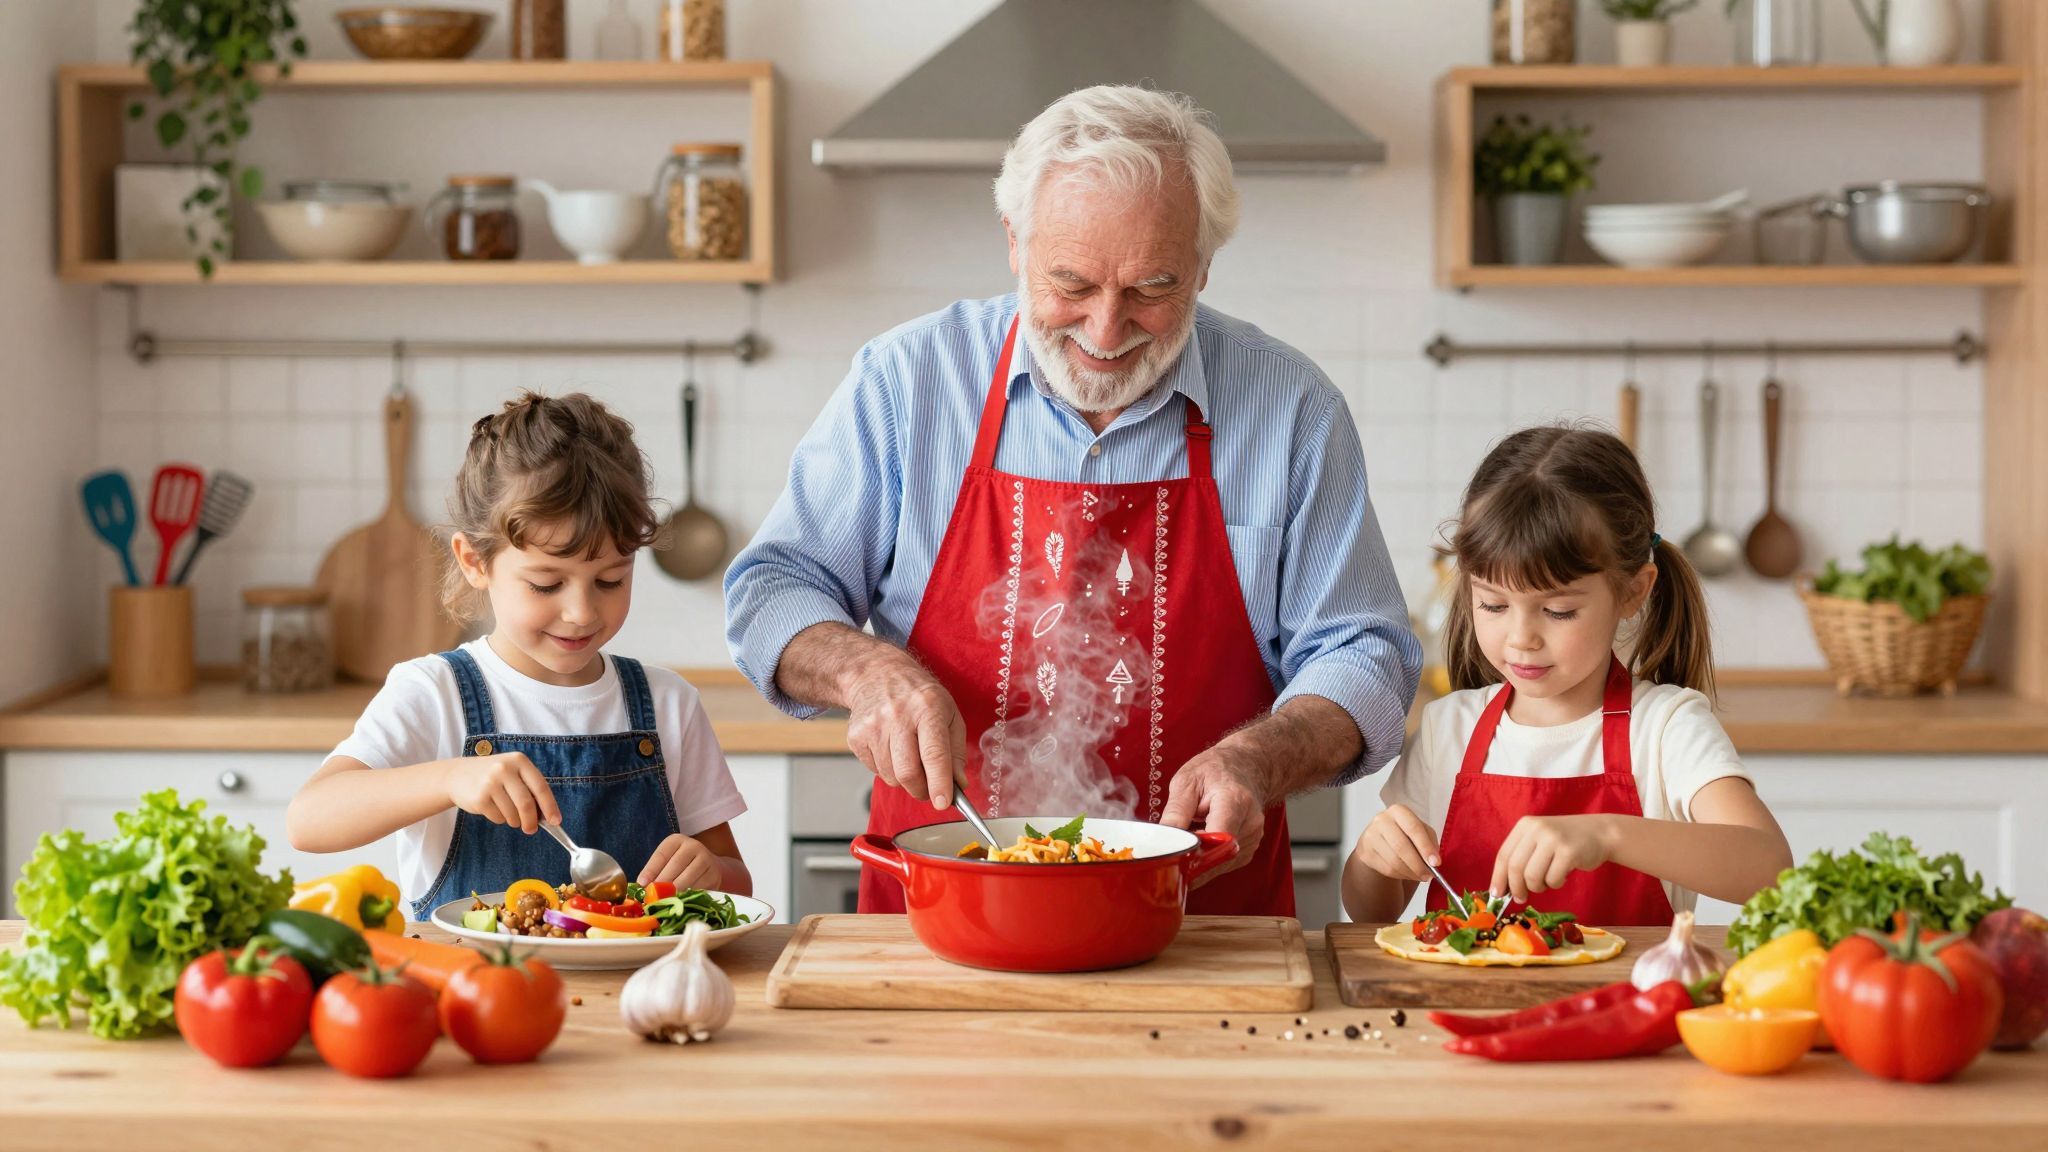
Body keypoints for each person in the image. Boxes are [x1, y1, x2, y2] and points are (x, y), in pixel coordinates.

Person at [725, 85, 1420, 915]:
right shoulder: (909, 383)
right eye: (1072, 283)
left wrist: (1261, 759)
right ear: (1014, 244)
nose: (1103, 328)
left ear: (1203, 264)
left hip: (1202, 925)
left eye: (1152, 289)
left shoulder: (1291, 408)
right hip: (948, 913)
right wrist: (867, 672)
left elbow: (1366, 654)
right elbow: (771, 590)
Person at [289, 392, 750, 919]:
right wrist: (448, 779)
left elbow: (735, 880)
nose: (581, 611)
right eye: (546, 584)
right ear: (474, 561)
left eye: (610, 580)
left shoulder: (668, 704)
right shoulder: (433, 692)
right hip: (472, 991)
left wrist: (709, 873)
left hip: (637, 994)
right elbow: (308, 820)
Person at [1342, 425, 1792, 925]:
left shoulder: (1665, 728)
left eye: (1557, 611)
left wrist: (1607, 836)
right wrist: (1372, 860)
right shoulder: (1449, 729)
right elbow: (1370, 912)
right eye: (1492, 603)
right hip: (1467, 1004)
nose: (1521, 638)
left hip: (1630, 1001)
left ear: (1632, 592)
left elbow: (1770, 868)